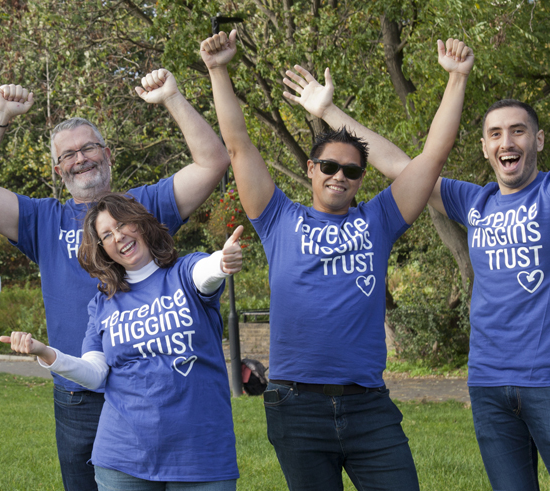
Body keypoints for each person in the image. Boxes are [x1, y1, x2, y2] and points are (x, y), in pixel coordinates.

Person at [286, 32, 550, 491]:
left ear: (538, 140)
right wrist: (327, 112)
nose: (508, 141)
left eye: (518, 130)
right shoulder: (474, 201)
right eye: (495, 134)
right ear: (486, 148)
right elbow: (399, 164)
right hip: (488, 386)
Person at [202, 30, 473, 490]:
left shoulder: (380, 219)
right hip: (296, 406)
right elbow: (238, 145)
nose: (339, 176)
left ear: (360, 180)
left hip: (369, 406)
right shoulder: (277, 218)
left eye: (351, 171)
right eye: (329, 166)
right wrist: (218, 70)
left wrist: (457, 80)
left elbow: (432, 157)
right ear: (311, 170)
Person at [0, 69, 230, 490]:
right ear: (57, 169)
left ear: (108, 154)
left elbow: (212, 161)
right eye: (68, 154)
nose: (80, 158)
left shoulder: (145, 207)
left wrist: (172, 97)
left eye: (88, 148)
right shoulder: (42, 220)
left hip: (157, 389)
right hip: (80, 395)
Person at [1, 193, 243, 490]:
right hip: (123, 457)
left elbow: (205, 274)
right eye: (106, 235)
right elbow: (94, 373)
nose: (118, 237)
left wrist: (222, 260)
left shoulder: (183, 272)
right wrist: (46, 353)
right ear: (102, 249)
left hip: (200, 452)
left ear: (140, 224)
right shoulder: (103, 303)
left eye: (123, 224)